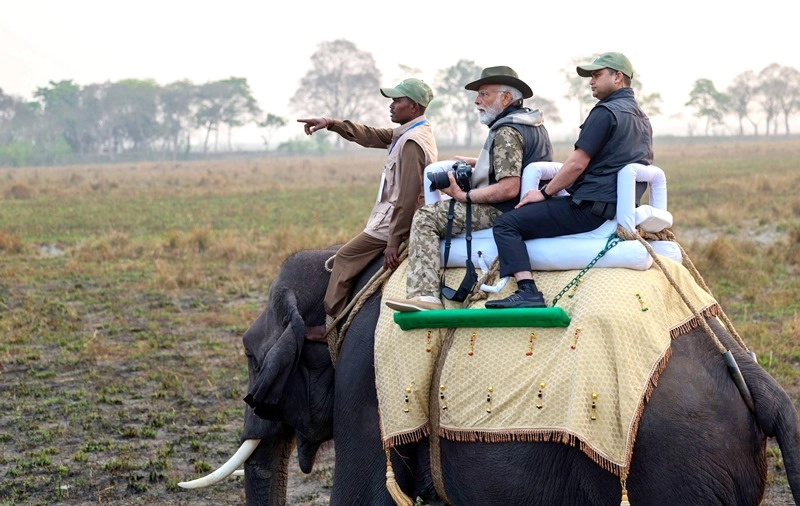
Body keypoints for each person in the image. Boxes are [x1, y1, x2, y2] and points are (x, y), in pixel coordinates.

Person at [485, 52, 654, 309]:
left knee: (507, 224)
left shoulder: (605, 112)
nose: (591, 81)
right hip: (616, 207)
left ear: (618, 77)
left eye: (597, 75)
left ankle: (527, 291)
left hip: (589, 209)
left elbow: (576, 163)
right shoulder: (641, 117)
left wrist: (544, 193)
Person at [384, 66, 553, 313]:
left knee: (425, 216)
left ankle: (425, 297)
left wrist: (464, 195)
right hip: (525, 207)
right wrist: (481, 163)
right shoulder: (533, 123)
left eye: (484, 94)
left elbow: (508, 188)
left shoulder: (506, 131)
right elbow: (516, 165)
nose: (477, 101)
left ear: (506, 98)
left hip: (503, 209)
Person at [297, 78, 438, 324]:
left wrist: (393, 242)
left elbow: (407, 198)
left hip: (393, 224)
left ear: (414, 107)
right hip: (389, 218)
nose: (391, 105)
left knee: (345, 257)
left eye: (397, 100)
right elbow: (369, 135)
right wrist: (331, 123)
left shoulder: (412, 142)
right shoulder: (409, 133)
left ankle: (334, 323)